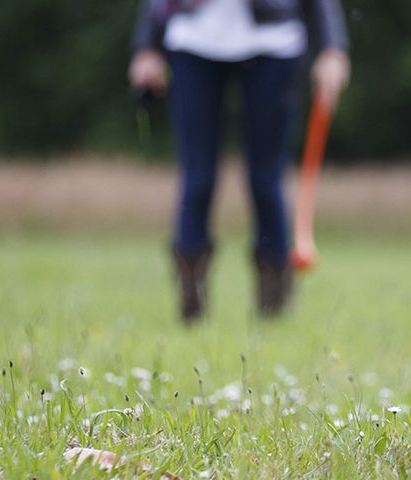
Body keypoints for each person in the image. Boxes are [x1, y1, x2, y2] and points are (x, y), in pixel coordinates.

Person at [129, 0, 349, 323]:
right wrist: (146, 45)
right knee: (198, 179)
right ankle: (191, 305)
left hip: (273, 43)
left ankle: (274, 305)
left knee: (265, 180)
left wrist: (333, 48)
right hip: (193, 40)